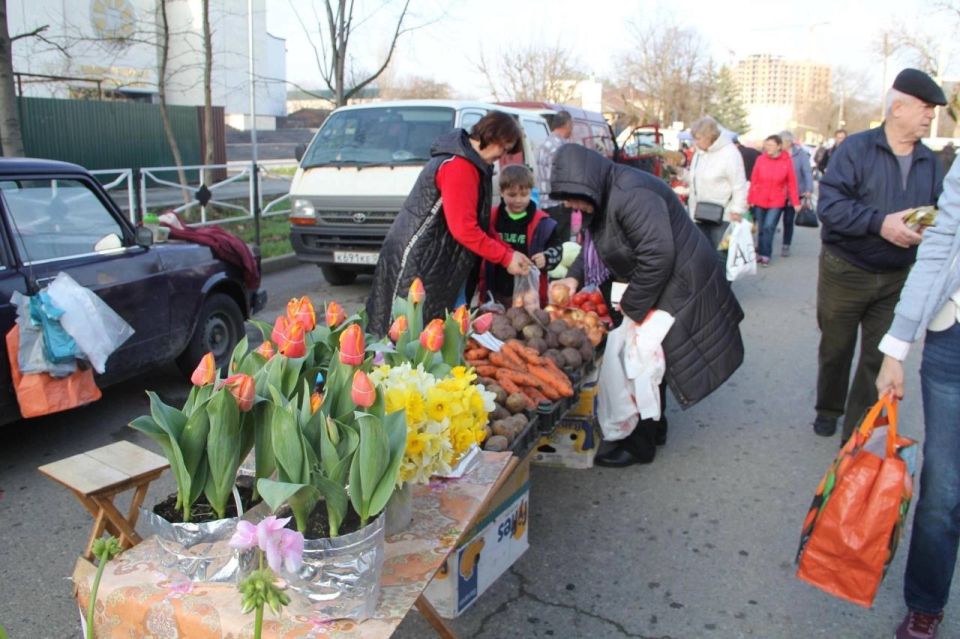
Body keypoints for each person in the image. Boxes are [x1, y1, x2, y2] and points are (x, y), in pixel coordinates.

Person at [550, 143, 745, 467]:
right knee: (652, 361)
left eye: (570, 195)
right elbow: (599, 246)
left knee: (637, 360)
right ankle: (653, 430)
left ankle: (640, 445)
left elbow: (658, 256)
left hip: (679, 284)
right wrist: (573, 277)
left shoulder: (631, 194)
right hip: (663, 281)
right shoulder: (605, 194)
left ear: (584, 183)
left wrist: (632, 308)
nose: (569, 204)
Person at [813, 68, 946, 442]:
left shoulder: (930, 161)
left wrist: (928, 227)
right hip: (846, 270)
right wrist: (879, 224)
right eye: (925, 108)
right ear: (897, 107)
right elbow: (831, 207)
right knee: (836, 348)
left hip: (897, 277)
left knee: (878, 356)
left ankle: (854, 435)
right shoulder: (855, 149)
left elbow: (940, 209)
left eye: (933, 111)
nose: (930, 116)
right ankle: (828, 407)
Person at [875, 159, 960, 639]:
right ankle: (926, 608)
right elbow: (940, 248)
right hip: (953, 343)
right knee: (943, 493)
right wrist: (896, 348)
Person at [366, 111, 533, 336]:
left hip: (440, 258)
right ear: (491, 136)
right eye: (504, 148)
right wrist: (505, 257)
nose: (503, 155)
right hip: (419, 259)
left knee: (438, 330)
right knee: (406, 334)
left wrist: (508, 251)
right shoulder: (460, 166)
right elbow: (464, 229)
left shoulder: (474, 164)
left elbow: (478, 223)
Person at [479, 164, 563, 307]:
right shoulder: (490, 218)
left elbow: (557, 250)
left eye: (524, 195)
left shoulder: (543, 223)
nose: (518, 200)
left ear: (531, 192)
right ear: (501, 192)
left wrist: (547, 258)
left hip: (530, 296)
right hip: (495, 292)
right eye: (512, 195)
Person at [686, 116, 748, 252]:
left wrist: (737, 210)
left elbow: (739, 185)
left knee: (721, 255)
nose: (695, 142)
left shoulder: (730, 153)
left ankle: (721, 274)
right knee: (702, 254)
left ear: (710, 136)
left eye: (698, 138)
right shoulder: (699, 153)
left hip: (724, 215)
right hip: (699, 213)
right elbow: (695, 179)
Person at [747, 134, 799, 266]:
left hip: (777, 200)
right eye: (766, 145)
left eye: (771, 145)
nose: (767, 148)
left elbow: (792, 183)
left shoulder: (786, 162)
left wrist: (795, 202)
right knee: (762, 228)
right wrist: (749, 199)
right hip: (759, 198)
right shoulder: (760, 159)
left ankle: (765, 255)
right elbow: (754, 180)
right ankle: (761, 252)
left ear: (779, 147)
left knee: (769, 226)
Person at [537, 110, 574, 241]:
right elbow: (565, 177)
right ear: (568, 124)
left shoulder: (544, 145)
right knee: (562, 246)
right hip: (559, 204)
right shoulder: (562, 147)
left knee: (549, 243)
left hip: (544, 204)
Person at [779, 130, 814, 257]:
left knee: (788, 220)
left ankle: (786, 245)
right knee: (770, 221)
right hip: (778, 193)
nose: (780, 144)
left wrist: (809, 189)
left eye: (781, 142)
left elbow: (807, 172)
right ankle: (764, 245)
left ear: (788, 142)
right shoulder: (777, 153)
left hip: (795, 193)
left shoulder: (800, 154)